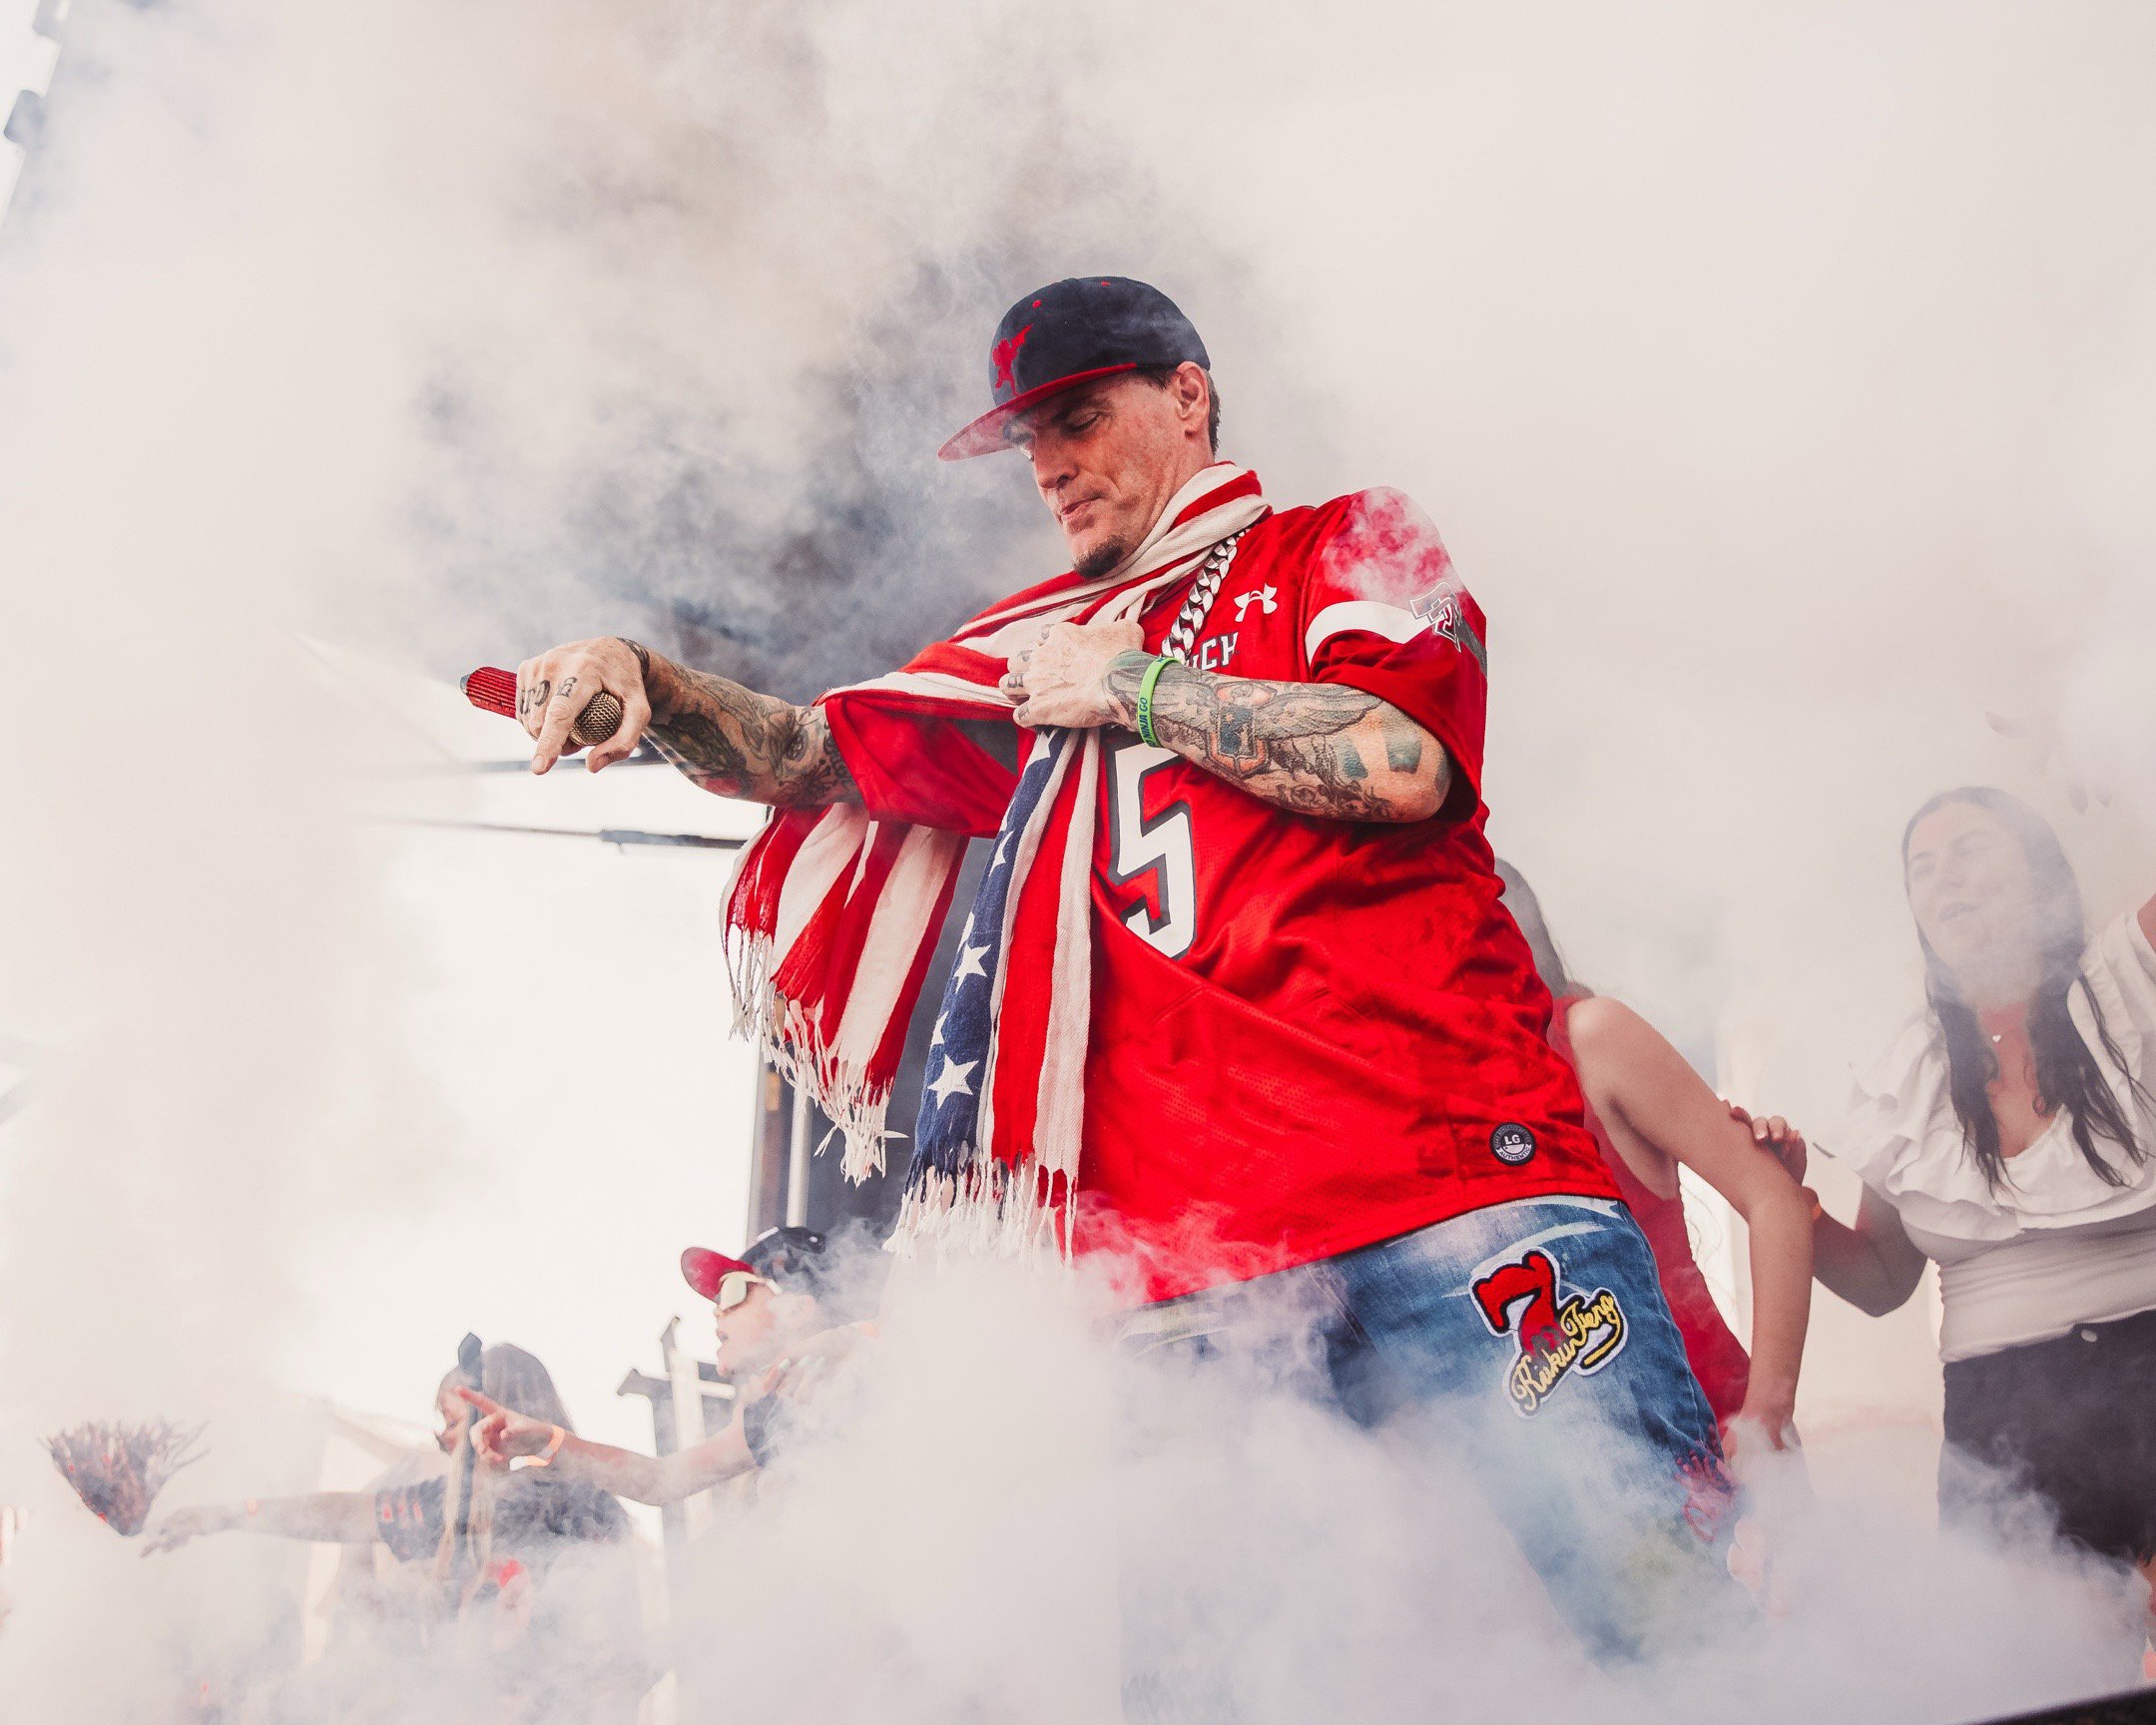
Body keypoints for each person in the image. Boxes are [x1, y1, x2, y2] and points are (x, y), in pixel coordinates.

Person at [511, 276, 1736, 1661]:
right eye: (1028, 440)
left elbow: (1404, 759)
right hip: (1192, 1279)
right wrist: (653, 682)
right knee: (1225, 1687)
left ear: (1189, 396)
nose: (1048, 466)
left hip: (1453, 1196)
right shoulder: (1028, 664)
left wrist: (1136, 686)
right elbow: (810, 753)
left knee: (1667, 1623)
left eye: (1079, 418)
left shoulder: (1344, 541)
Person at [1750, 788, 2156, 1674]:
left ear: (2039, 870)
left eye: (1971, 849)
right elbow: (1880, 1281)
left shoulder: (2131, 974)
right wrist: (1790, 1202)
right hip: (2006, 1427)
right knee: (2050, 1695)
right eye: (1922, 868)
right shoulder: (1910, 1074)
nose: (1946, 879)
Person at [1495, 861, 1815, 1461]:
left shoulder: (1592, 1036)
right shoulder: (1438, 1100)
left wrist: (1765, 1421)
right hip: (1566, 1466)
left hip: (1710, 1430)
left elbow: (1774, 1198)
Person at [144, 1337, 633, 1632]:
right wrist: (228, 1514)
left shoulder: (583, 1503)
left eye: (452, 1422)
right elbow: (345, 1515)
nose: (443, 1439)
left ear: (502, 1413)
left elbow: (613, 1656)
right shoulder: (455, 1504)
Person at [465, 1228, 870, 1501]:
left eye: (734, 1290)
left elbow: (899, 1327)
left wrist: (854, 1338)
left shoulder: (871, 1364)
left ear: (798, 1309)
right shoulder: (768, 1416)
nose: (716, 1311)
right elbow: (659, 1480)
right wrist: (546, 1439)